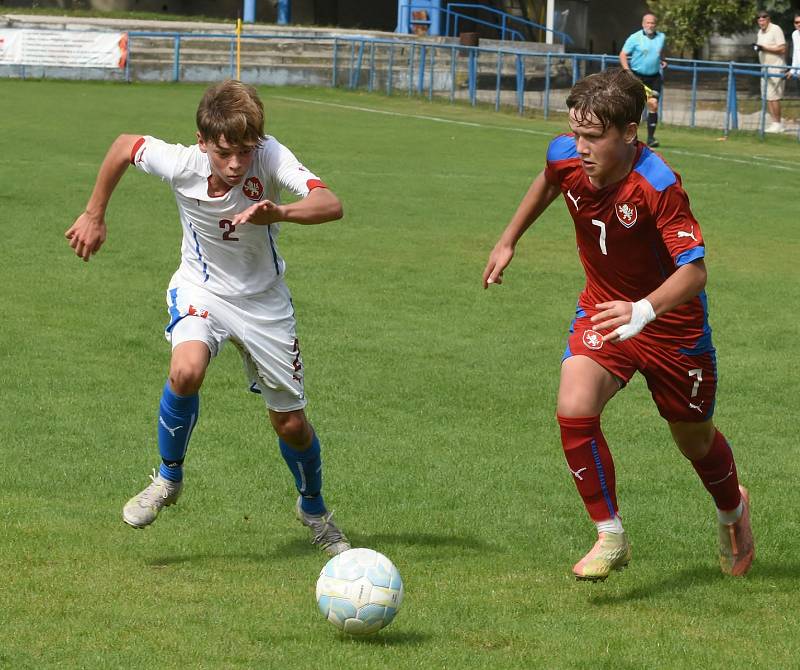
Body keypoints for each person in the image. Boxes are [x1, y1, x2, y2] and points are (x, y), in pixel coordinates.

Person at [482, 68, 754, 582]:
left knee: (693, 441)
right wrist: (508, 238)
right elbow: (548, 179)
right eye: (575, 132)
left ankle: (732, 512)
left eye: (593, 137)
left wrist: (644, 310)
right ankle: (610, 534)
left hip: (672, 327)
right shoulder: (566, 155)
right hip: (605, 309)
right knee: (574, 406)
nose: (579, 147)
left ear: (629, 132)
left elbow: (694, 271)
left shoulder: (658, 185)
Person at [65, 79, 351, 556]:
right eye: (224, 152)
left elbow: (331, 203)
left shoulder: (271, 156)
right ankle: (168, 478)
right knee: (186, 369)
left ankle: (314, 510)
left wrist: (279, 210)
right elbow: (122, 147)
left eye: (245, 150)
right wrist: (94, 213)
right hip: (201, 289)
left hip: (264, 302)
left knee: (291, 425)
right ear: (203, 142)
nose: (237, 163)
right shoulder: (181, 163)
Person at [619, 12, 666, 148]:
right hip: (637, 76)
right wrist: (628, 71)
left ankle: (651, 138)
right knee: (635, 107)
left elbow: (660, 51)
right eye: (648, 23)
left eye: (653, 23)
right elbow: (623, 54)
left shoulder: (661, 37)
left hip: (654, 76)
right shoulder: (635, 38)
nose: (650, 25)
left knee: (653, 104)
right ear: (643, 24)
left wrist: (663, 59)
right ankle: (631, 135)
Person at [755, 10, 787, 133]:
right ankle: (774, 123)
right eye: (759, 19)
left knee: (774, 97)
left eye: (763, 19)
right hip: (764, 67)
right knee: (767, 97)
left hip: (776, 67)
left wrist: (764, 48)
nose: (761, 21)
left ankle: (778, 124)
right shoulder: (760, 32)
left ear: (769, 19)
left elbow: (782, 48)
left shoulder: (776, 29)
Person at [785, 13, 800, 92]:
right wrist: (792, 70)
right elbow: (796, 54)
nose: (798, 24)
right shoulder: (795, 34)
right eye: (796, 22)